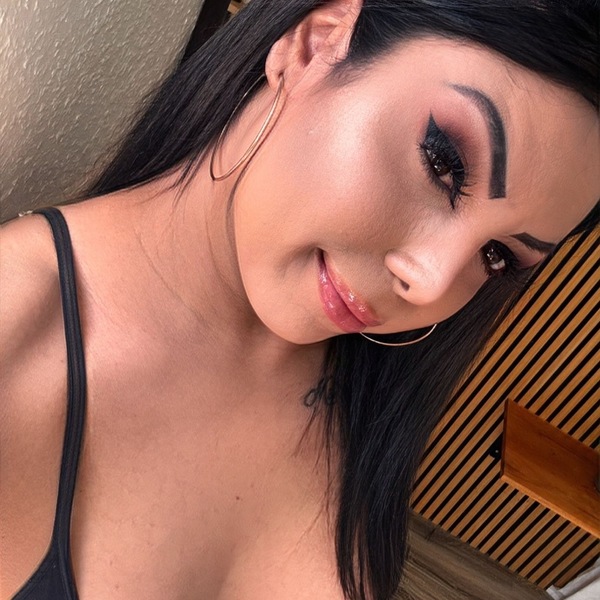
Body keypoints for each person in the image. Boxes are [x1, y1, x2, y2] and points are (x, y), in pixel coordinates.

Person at [1, 0, 598, 599]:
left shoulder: (368, 393)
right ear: (316, 44)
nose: (432, 283)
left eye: (496, 255)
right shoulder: (14, 325)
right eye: (443, 163)